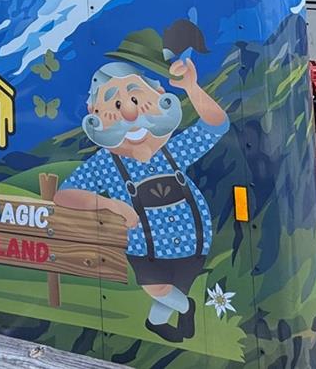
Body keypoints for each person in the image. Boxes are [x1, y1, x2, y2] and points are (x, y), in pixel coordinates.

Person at [54, 53, 229, 344]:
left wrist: (191, 87)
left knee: (171, 292)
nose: (130, 114)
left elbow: (216, 126)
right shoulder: (107, 163)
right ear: (94, 114)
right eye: (115, 105)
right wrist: (110, 204)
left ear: (160, 95)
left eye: (136, 99)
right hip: (144, 247)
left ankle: (155, 323)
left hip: (193, 242)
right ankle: (186, 309)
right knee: (158, 288)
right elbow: (65, 194)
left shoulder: (173, 151)